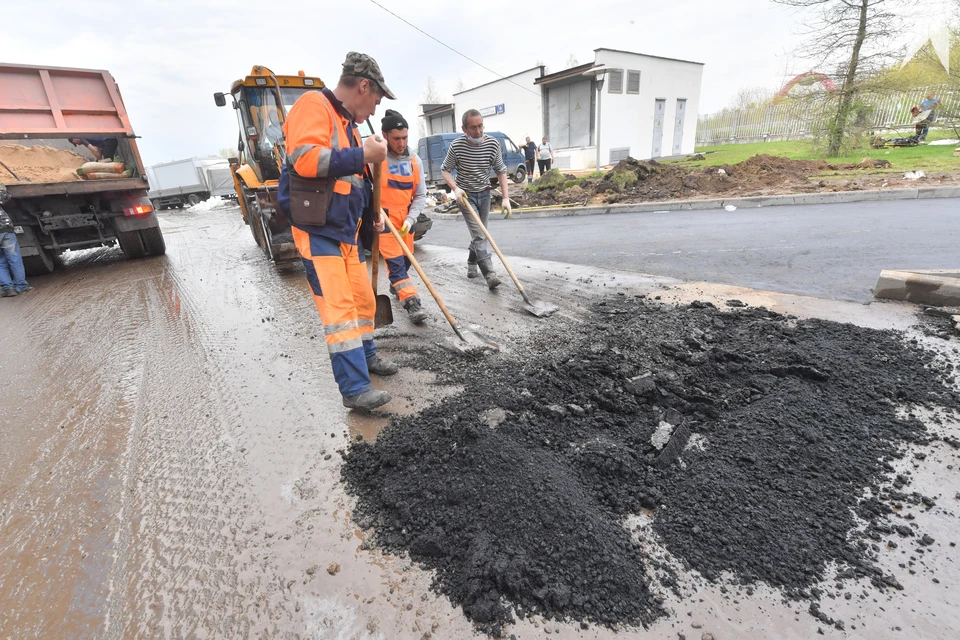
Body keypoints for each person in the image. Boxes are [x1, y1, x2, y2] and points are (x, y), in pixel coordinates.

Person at [277, 51, 398, 412]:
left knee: (362, 301)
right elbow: (306, 160)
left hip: (345, 231)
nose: (376, 110)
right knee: (340, 311)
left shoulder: (349, 125)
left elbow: (351, 183)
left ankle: (368, 356)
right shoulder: (313, 105)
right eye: (376, 99)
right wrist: (363, 155)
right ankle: (355, 389)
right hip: (318, 230)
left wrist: (371, 213)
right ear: (363, 86)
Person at [440, 109, 511, 290]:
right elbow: (445, 169)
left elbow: (501, 170)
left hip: (485, 193)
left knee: (480, 233)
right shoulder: (457, 146)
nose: (478, 131)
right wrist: (455, 188)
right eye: (473, 128)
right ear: (464, 128)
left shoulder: (493, 144)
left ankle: (472, 262)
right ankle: (490, 274)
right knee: (480, 235)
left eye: (480, 126)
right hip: (465, 196)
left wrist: (505, 198)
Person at [378, 109, 428, 325]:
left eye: (405, 138)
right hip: (384, 219)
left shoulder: (414, 161)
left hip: (407, 220)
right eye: (396, 138)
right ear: (385, 135)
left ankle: (396, 284)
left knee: (406, 262)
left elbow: (420, 194)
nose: (401, 143)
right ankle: (412, 304)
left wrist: (411, 218)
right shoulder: (375, 158)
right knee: (396, 264)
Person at [0, 186, 33, 297]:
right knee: (15, 259)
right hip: (5, 228)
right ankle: (21, 286)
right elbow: (5, 197)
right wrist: (2, 187)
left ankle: (9, 289)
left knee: (0, 263)